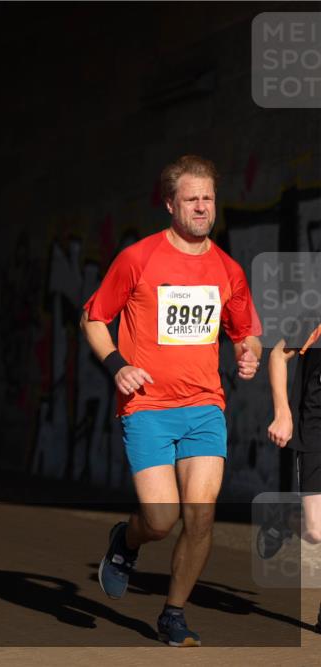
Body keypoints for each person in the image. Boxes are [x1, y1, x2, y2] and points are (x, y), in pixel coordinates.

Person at [82, 155, 262, 647]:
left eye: (208, 198)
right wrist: (117, 365)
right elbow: (93, 319)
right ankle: (127, 540)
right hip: (147, 407)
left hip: (205, 406)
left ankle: (174, 613)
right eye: (191, 199)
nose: (202, 207)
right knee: (161, 520)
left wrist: (248, 354)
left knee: (201, 514)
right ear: (169, 204)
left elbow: (246, 333)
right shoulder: (137, 259)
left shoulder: (227, 269)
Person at [263, 320, 321, 634]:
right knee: (315, 531)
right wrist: (283, 412)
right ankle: (288, 519)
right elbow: (277, 356)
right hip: (316, 433)